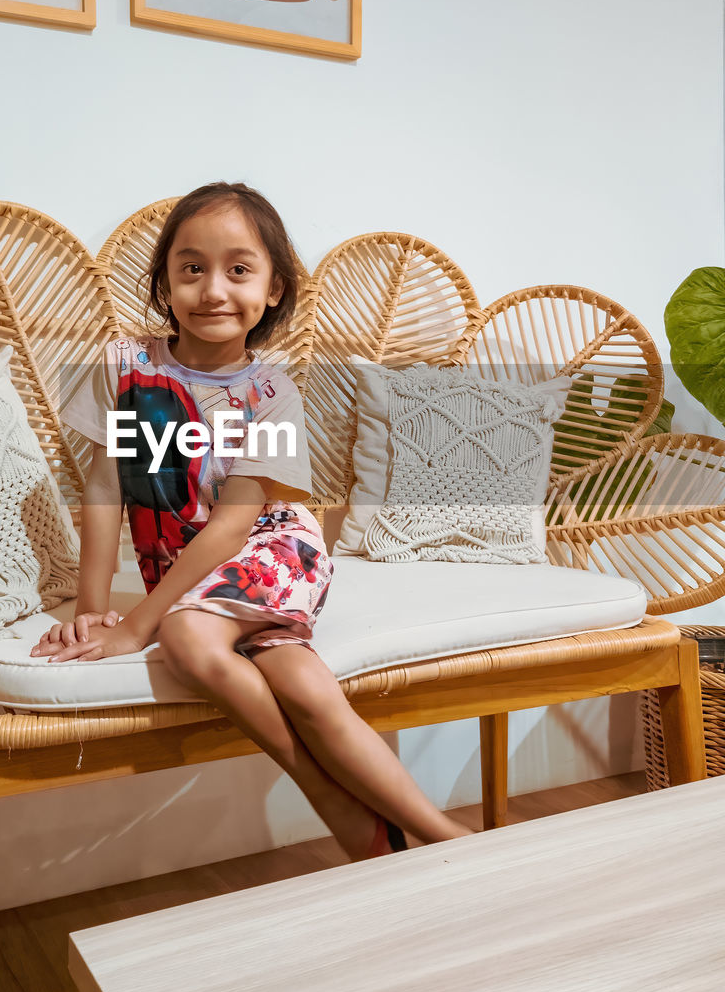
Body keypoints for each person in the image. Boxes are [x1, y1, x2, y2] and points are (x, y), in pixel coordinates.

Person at [31, 182, 471, 860]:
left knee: (188, 640)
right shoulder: (123, 366)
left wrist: (140, 624)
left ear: (272, 291)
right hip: (192, 569)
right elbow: (103, 487)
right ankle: (416, 837)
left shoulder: (272, 397)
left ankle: (395, 822)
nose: (213, 289)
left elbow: (237, 525)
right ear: (164, 283)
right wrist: (93, 611)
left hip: (272, 548)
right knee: (301, 683)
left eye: (239, 270)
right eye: (191, 268)